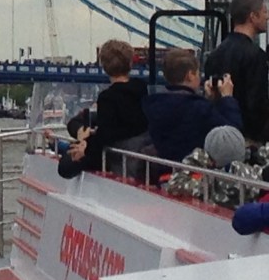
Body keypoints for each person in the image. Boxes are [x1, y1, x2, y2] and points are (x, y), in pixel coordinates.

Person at [58, 39, 149, 178]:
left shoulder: (107, 97)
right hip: (141, 147)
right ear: (130, 64)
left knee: (65, 166)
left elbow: (107, 134)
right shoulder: (141, 88)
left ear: (104, 66)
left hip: (119, 153)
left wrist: (85, 146)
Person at [144, 48, 242, 162]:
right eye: (198, 73)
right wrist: (227, 98)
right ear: (190, 75)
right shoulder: (199, 108)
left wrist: (209, 100)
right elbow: (232, 136)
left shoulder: (155, 105)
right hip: (193, 168)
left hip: (164, 167)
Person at [203, 0, 269, 141]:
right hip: (248, 136)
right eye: (264, 12)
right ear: (253, 16)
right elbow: (256, 104)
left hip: (219, 133)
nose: (267, 17)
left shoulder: (215, 54)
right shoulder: (256, 55)